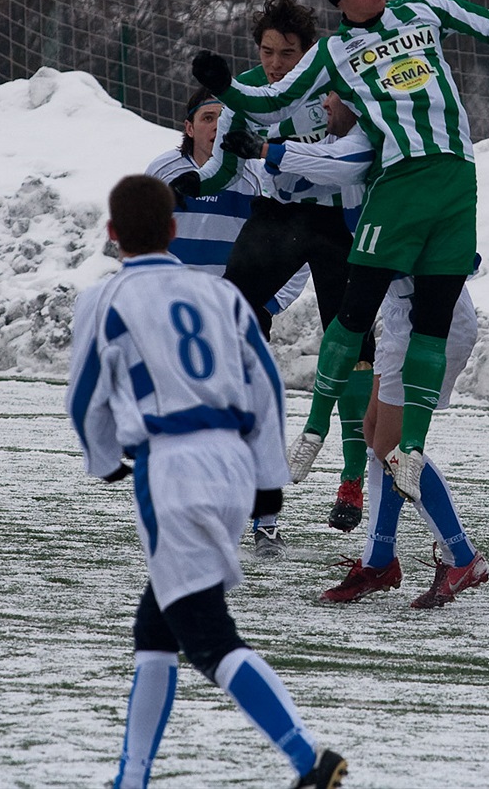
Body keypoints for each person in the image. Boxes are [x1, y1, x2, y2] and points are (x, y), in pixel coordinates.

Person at [191, 0, 489, 503]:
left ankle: (395, 462)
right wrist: (229, 102)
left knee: (426, 336)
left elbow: (487, 23)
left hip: (445, 188)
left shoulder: (421, 11)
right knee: (347, 319)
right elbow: (273, 109)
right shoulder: (334, 56)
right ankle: (309, 437)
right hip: (372, 200)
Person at [66, 175, 347, 789]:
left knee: (208, 635)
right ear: (174, 230)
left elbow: (85, 397)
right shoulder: (220, 297)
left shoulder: (107, 300)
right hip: (232, 465)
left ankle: (309, 759)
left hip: (173, 466)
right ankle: (130, 778)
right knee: (155, 631)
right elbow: (265, 384)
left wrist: (105, 458)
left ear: (113, 236)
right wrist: (268, 481)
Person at [230, 92, 489, 607]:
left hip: (429, 320)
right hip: (398, 317)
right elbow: (321, 166)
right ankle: (379, 561)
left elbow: (337, 160)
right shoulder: (356, 160)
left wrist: (266, 148)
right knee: (377, 436)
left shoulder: (376, 153)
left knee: (392, 445)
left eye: (333, 93)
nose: (324, 103)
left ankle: (461, 558)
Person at [176, 0, 377, 538]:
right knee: (228, 317)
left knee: (355, 351)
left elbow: (363, 151)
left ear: (306, 50)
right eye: (267, 52)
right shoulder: (244, 90)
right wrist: (197, 181)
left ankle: (352, 478)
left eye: (287, 53)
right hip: (279, 217)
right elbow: (222, 167)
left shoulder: (337, 83)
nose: (275, 64)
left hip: (339, 224)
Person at [146, 86, 307, 556]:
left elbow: (293, 252)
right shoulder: (163, 173)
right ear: (189, 126)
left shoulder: (256, 178)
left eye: (224, 117)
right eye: (208, 116)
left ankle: (266, 525)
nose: (216, 125)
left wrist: (266, 304)